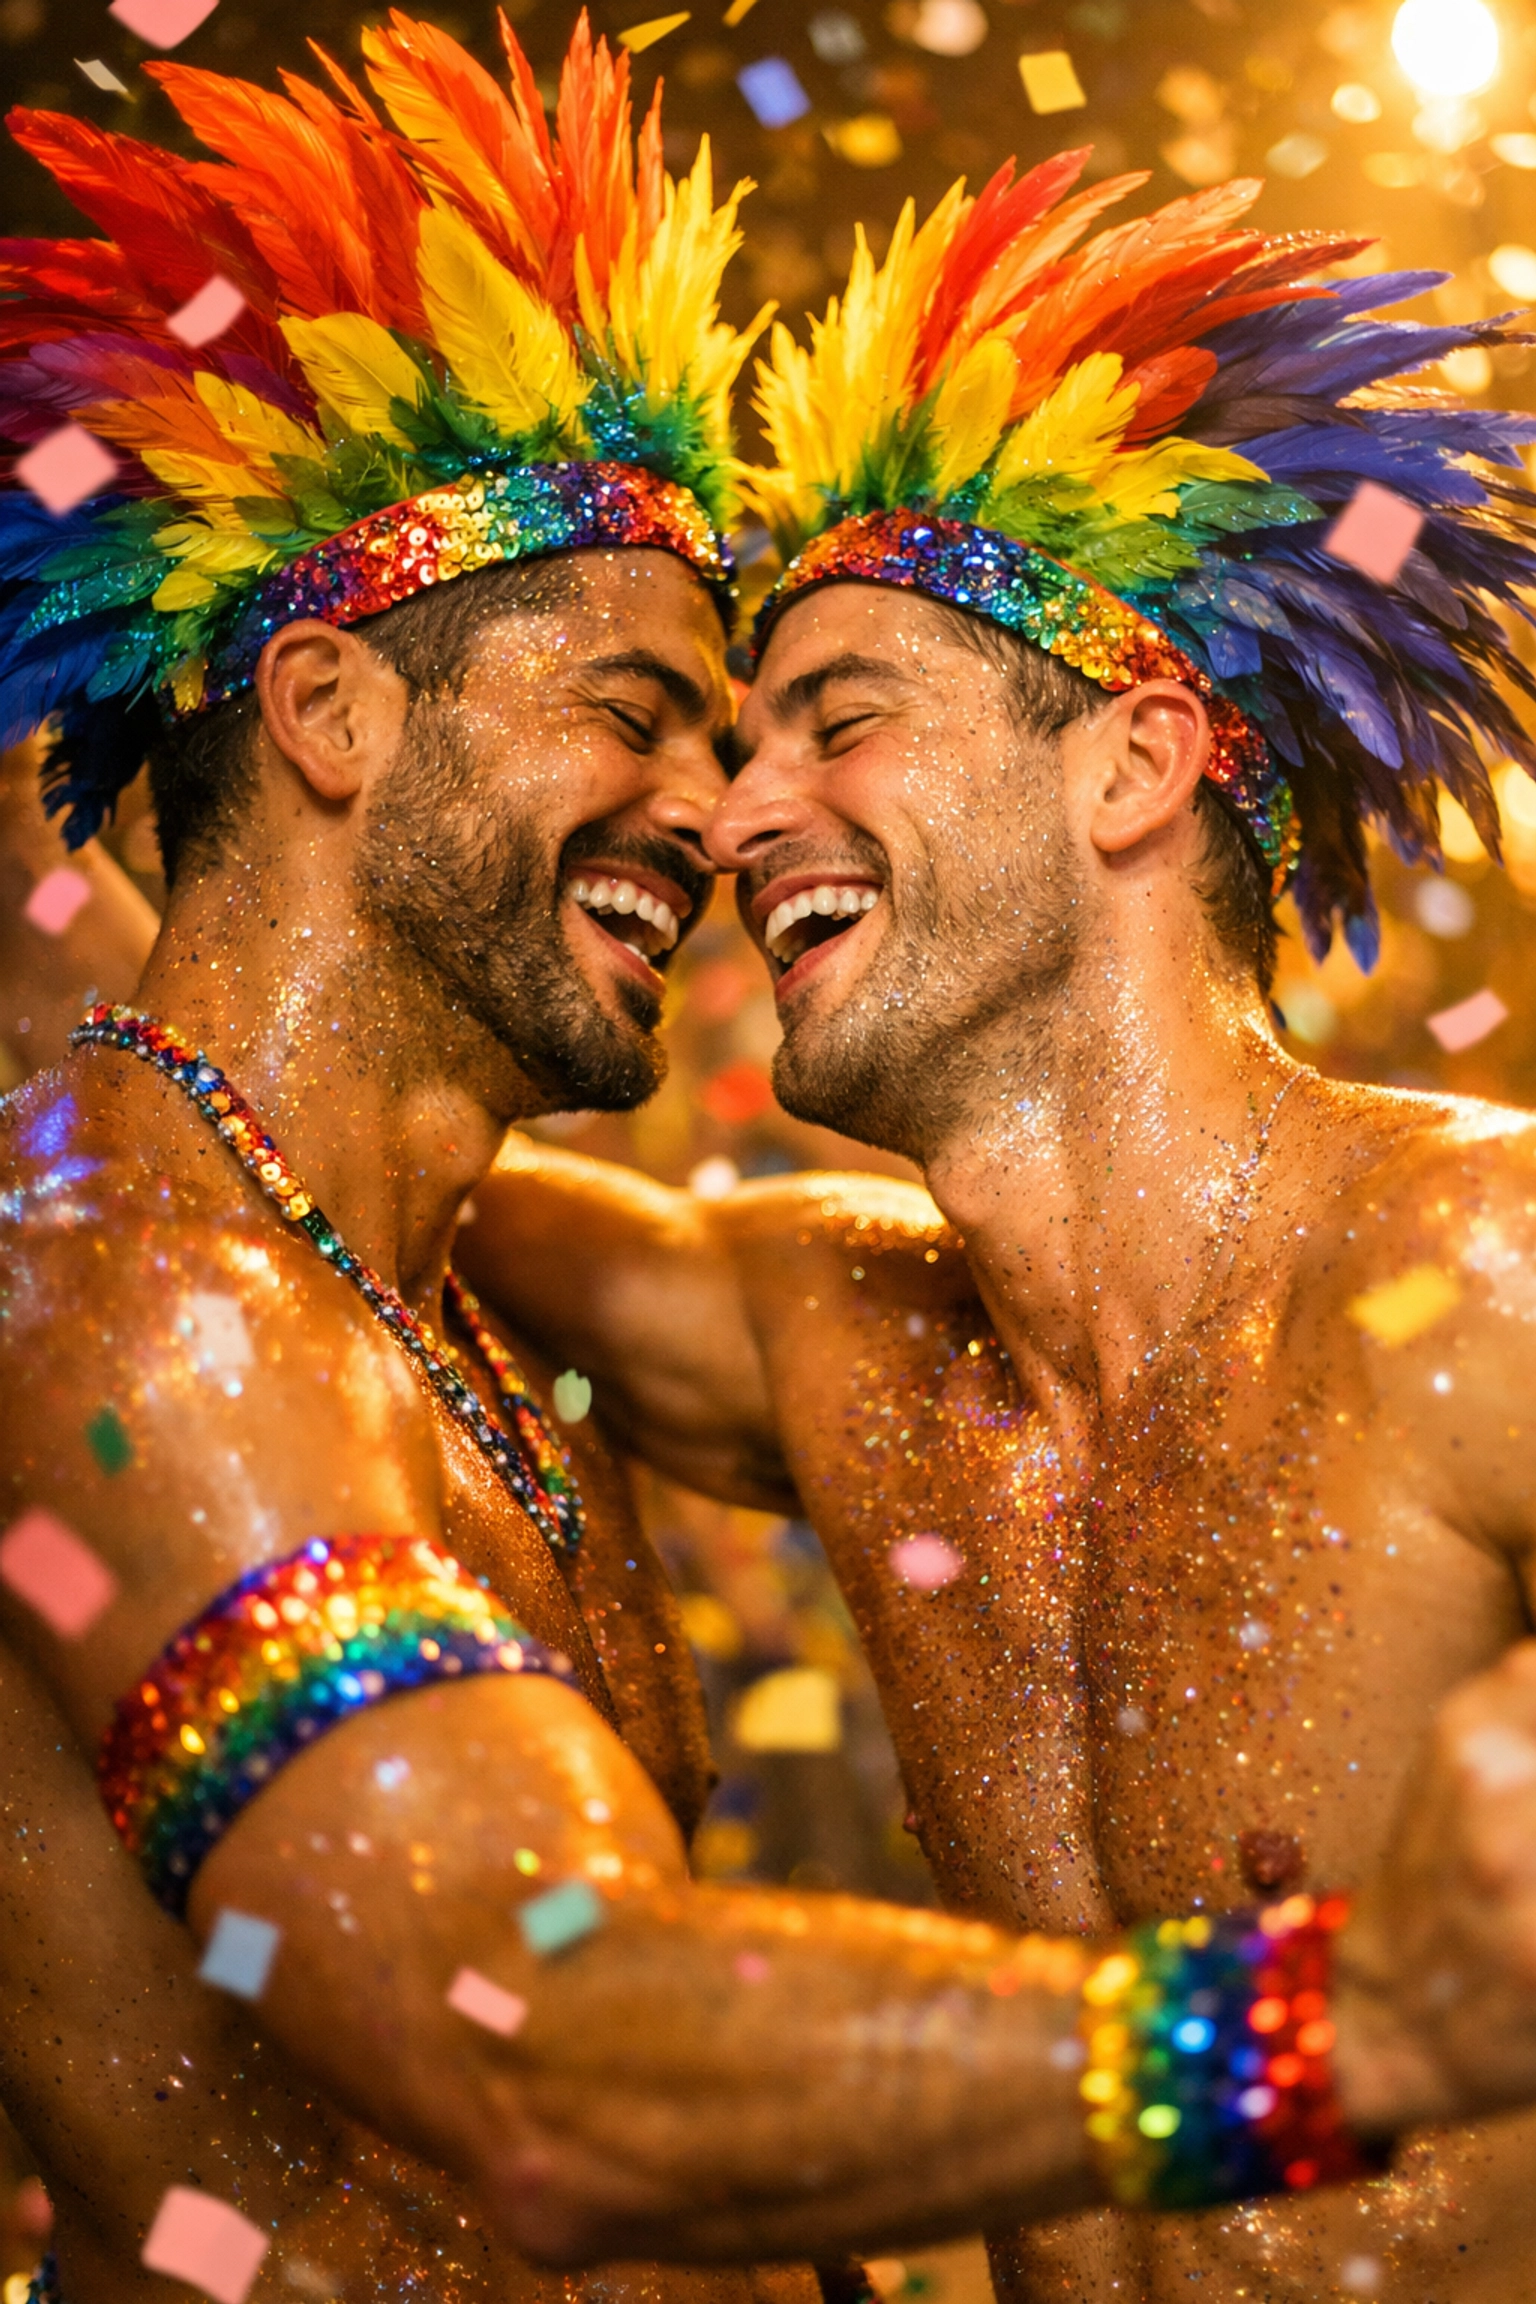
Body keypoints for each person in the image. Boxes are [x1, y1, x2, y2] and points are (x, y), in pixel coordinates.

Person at [455, 156, 1536, 2301]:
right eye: (740, 745)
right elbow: (301, 1135)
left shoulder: (1478, 1276)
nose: (741, 815)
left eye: (842, 721)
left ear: (1130, 766)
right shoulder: (831, 1332)